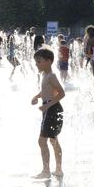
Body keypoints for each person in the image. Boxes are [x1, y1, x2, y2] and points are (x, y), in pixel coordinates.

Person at [31, 48, 65, 179]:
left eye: (39, 61)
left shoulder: (51, 76)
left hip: (53, 109)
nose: (36, 64)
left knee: (42, 141)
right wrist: (37, 96)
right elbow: (46, 90)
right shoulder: (45, 75)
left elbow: (62, 93)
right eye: (36, 62)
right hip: (49, 109)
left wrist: (48, 105)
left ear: (49, 61)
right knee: (53, 140)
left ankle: (46, 171)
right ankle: (58, 169)